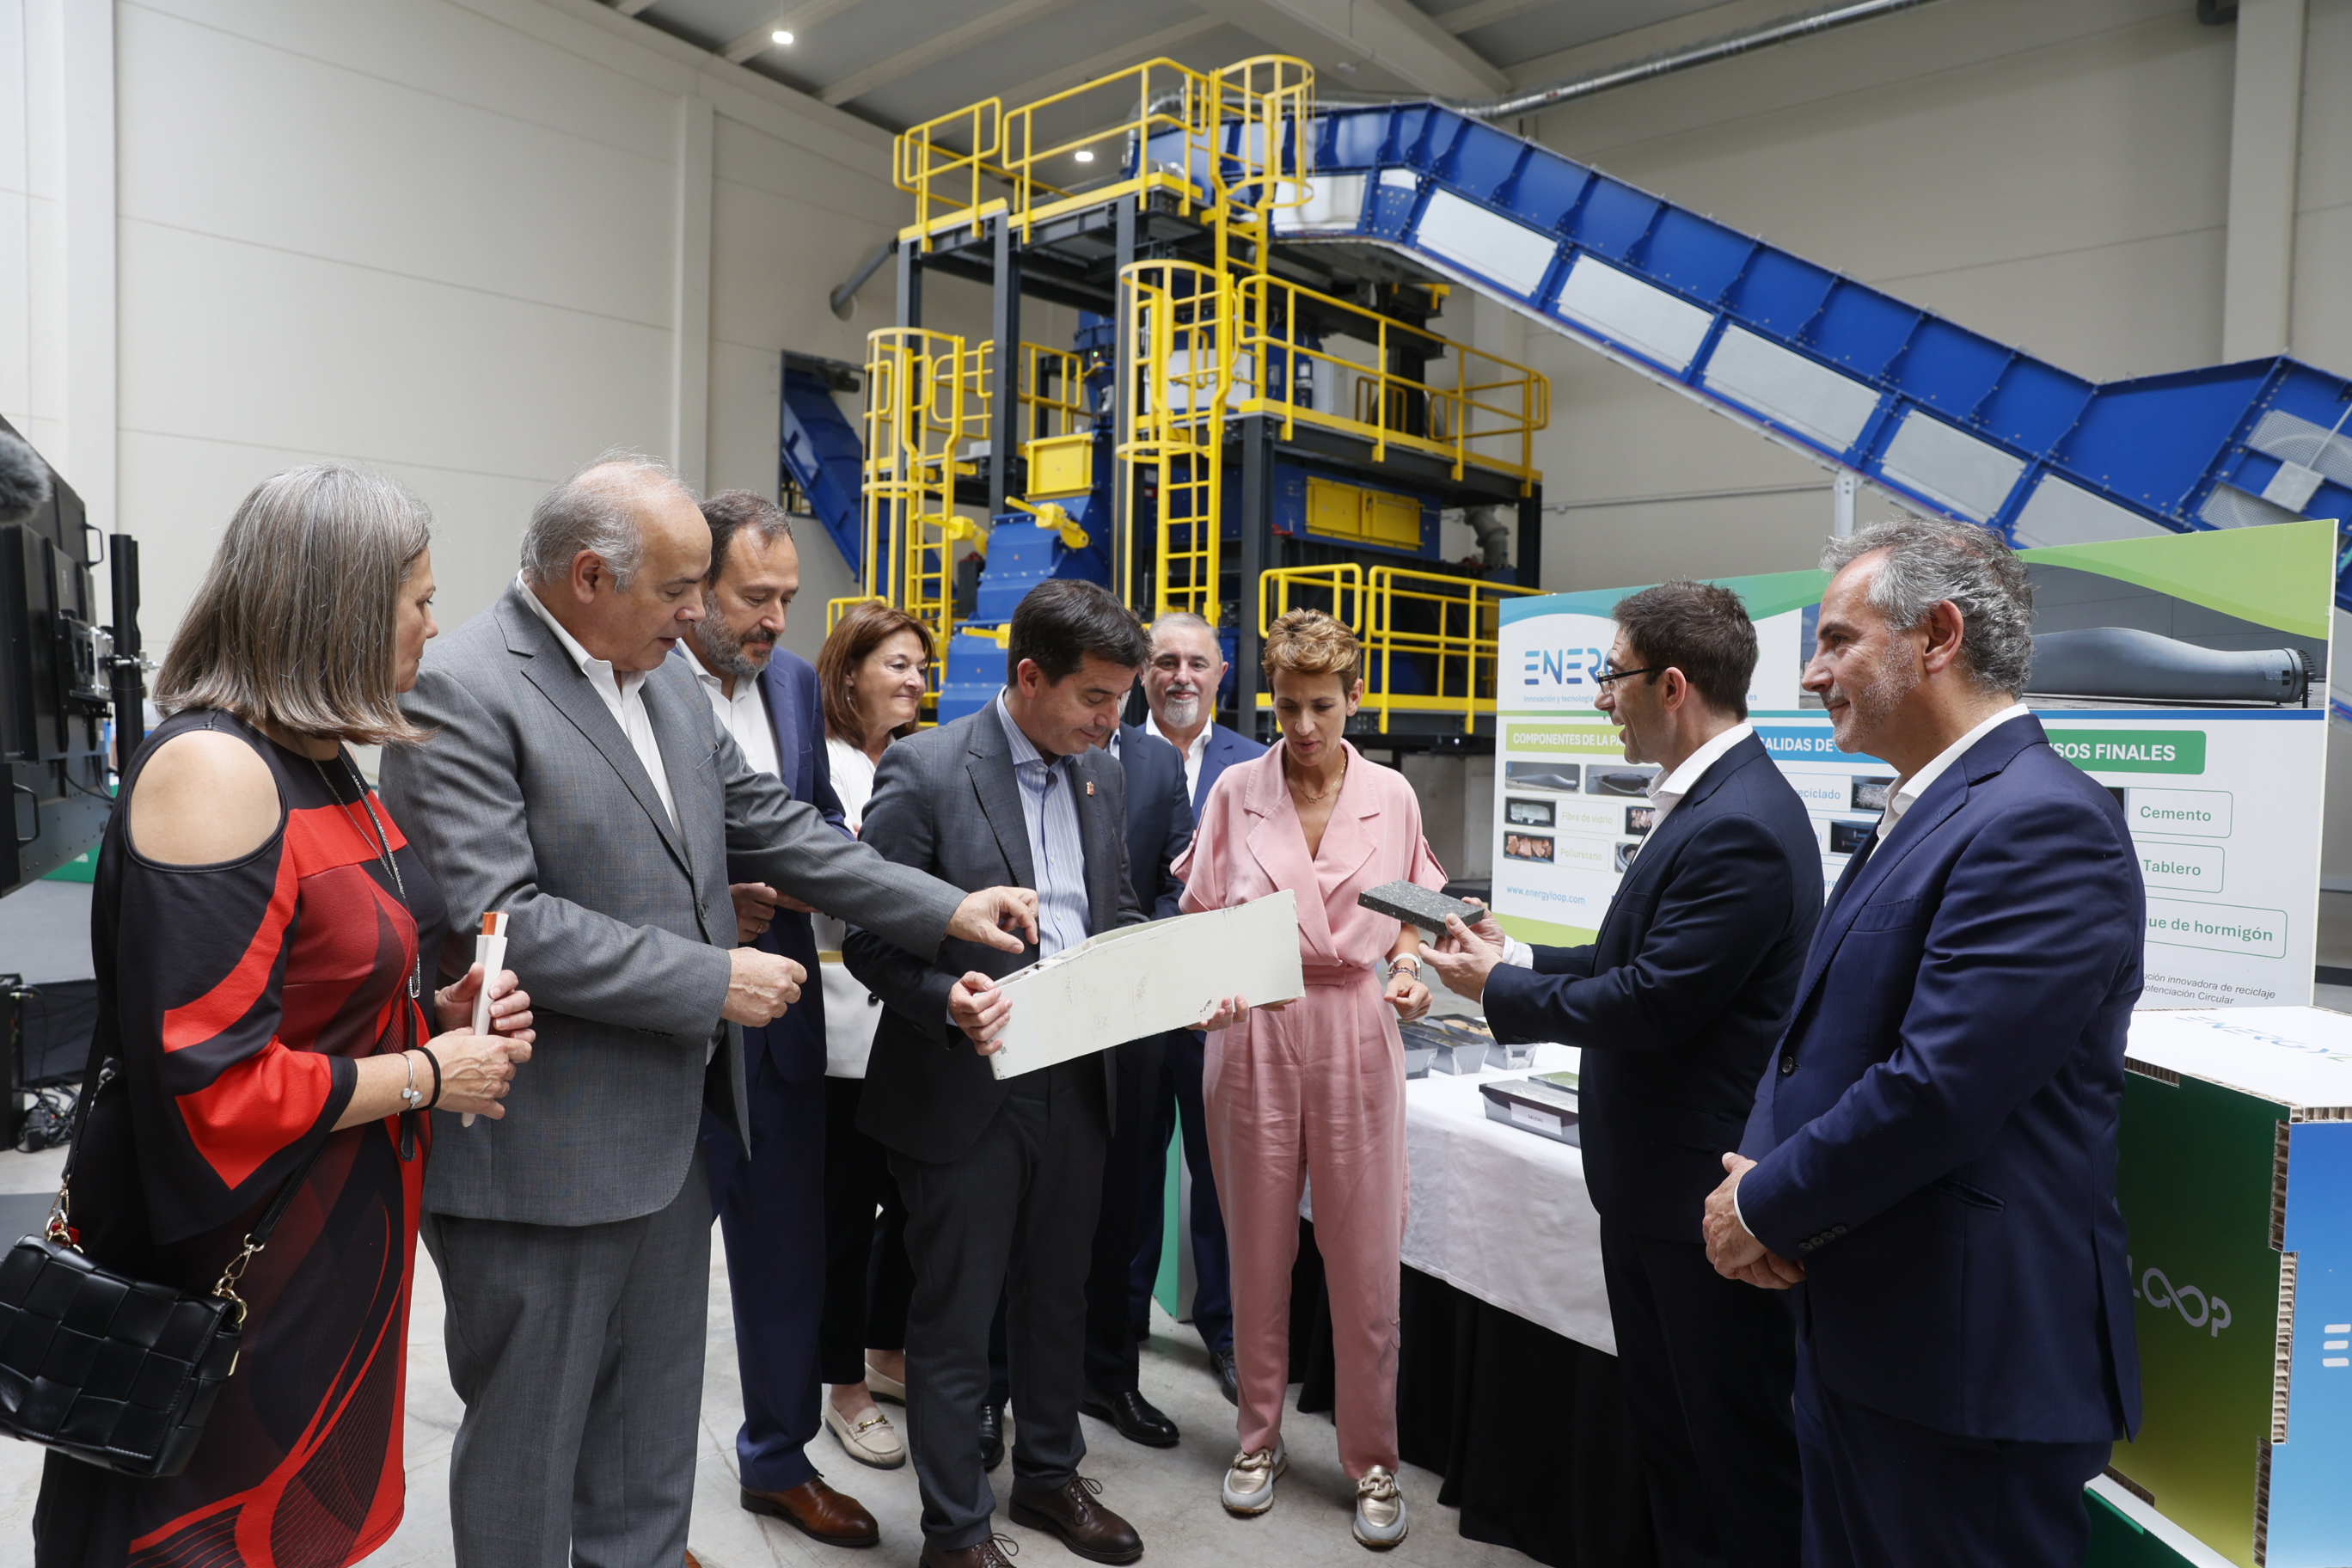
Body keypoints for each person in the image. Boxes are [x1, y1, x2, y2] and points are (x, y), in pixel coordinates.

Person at [378, 454, 1040, 1568]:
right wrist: (710, 977)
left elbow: (774, 824)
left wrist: (943, 907)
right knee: (529, 1454)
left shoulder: (664, 681)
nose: (700, 615)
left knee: (648, 1451)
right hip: (544, 1151)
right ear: (591, 577)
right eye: (681, 589)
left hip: (672, 1140)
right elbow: (509, 919)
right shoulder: (465, 687)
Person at [32, 465, 535, 1568]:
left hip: (329, 1236)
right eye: (417, 601)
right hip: (236, 1257)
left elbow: (316, 989)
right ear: (337, 611)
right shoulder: (217, 774)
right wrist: (431, 1073)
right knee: (205, 1528)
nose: (433, 625)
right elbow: (214, 1085)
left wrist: (432, 1014)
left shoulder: (324, 762)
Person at [1703, 518, 2143, 1568]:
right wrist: (1762, 1177)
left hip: (1964, 1367)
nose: (1812, 674)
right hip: (1870, 1336)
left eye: (1838, 640)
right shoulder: (1932, 808)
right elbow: (1814, 1035)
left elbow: (1940, 1087)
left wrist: (1763, 1206)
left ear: (1938, 636)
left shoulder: (2044, 822)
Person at [1423, 580, 1818, 1568]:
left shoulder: (1739, 823)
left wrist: (1497, 989)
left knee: (1729, 1457)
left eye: (1613, 677)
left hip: (1697, 1201)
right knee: (1676, 1440)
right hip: (1655, 1192)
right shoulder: (1712, 802)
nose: (1603, 698)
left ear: (1671, 685)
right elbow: (1630, 961)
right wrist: (1516, 956)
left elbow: (1650, 1005)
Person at [844, 579, 1152, 1568]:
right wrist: (950, 1001)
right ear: (1029, 676)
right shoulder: (927, 770)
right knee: (955, 1316)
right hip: (961, 1090)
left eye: (1120, 701)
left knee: (1058, 1297)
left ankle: (1051, 1478)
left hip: (1077, 1082)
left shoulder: (1100, 777)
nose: (1110, 722)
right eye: (1095, 698)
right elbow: (869, 941)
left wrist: (1186, 977)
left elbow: (1111, 915)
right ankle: (957, 1532)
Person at [1187, 609, 1440, 1551]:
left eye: (1321, 707)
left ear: (1354, 699)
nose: (1302, 727)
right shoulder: (1234, 792)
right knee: (1256, 1252)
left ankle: (1373, 1458)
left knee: (1366, 1257)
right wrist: (1205, 991)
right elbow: (1202, 919)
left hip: (1353, 1023)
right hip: (1252, 1023)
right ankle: (1258, 1439)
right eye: (1287, 706)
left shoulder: (1393, 795)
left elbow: (1411, 909)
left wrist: (1406, 966)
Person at [672, 491, 881, 1547]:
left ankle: (777, 1461)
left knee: (786, 1256)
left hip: (783, 1020)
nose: (777, 620)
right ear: (696, 587)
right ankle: (637, 1504)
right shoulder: (640, 681)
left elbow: (819, 827)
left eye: (788, 597)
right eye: (755, 597)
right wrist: (718, 902)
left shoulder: (793, 685)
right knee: (654, 1282)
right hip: (669, 1023)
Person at [813, 602, 934, 1472]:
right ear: (848, 671)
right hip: (837, 1027)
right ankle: (844, 1387)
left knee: (915, 1207)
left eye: (921, 668)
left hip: (911, 1023)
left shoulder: (917, 763)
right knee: (846, 1215)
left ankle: (888, 1350)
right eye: (897, 664)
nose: (915, 681)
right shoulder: (817, 764)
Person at [1128, 611, 1260, 1400]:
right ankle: (1119, 1332)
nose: (1182, 676)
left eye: (1197, 663)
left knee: (1221, 1174)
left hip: (1223, 1005)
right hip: (1138, 1002)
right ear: (1144, 672)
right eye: (1166, 661)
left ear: (1221, 674)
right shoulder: (1107, 750)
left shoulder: (1259, 764)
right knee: (1130, 1169)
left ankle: (1228, 1330)